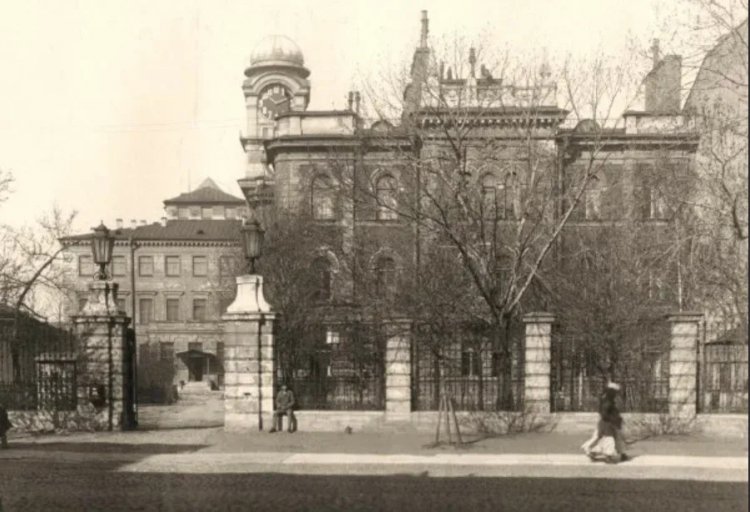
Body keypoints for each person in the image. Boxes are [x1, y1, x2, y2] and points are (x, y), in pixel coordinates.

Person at [581, 382, 628, 463]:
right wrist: (614, 419)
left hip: (607, 422)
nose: (616, 394)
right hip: (608, 423)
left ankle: (620, 453)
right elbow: (605, 413)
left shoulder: (606, 399)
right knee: (610, 438)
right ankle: (601, 453)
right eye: (615, 392)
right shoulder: (608, 401)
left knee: (607, 437)